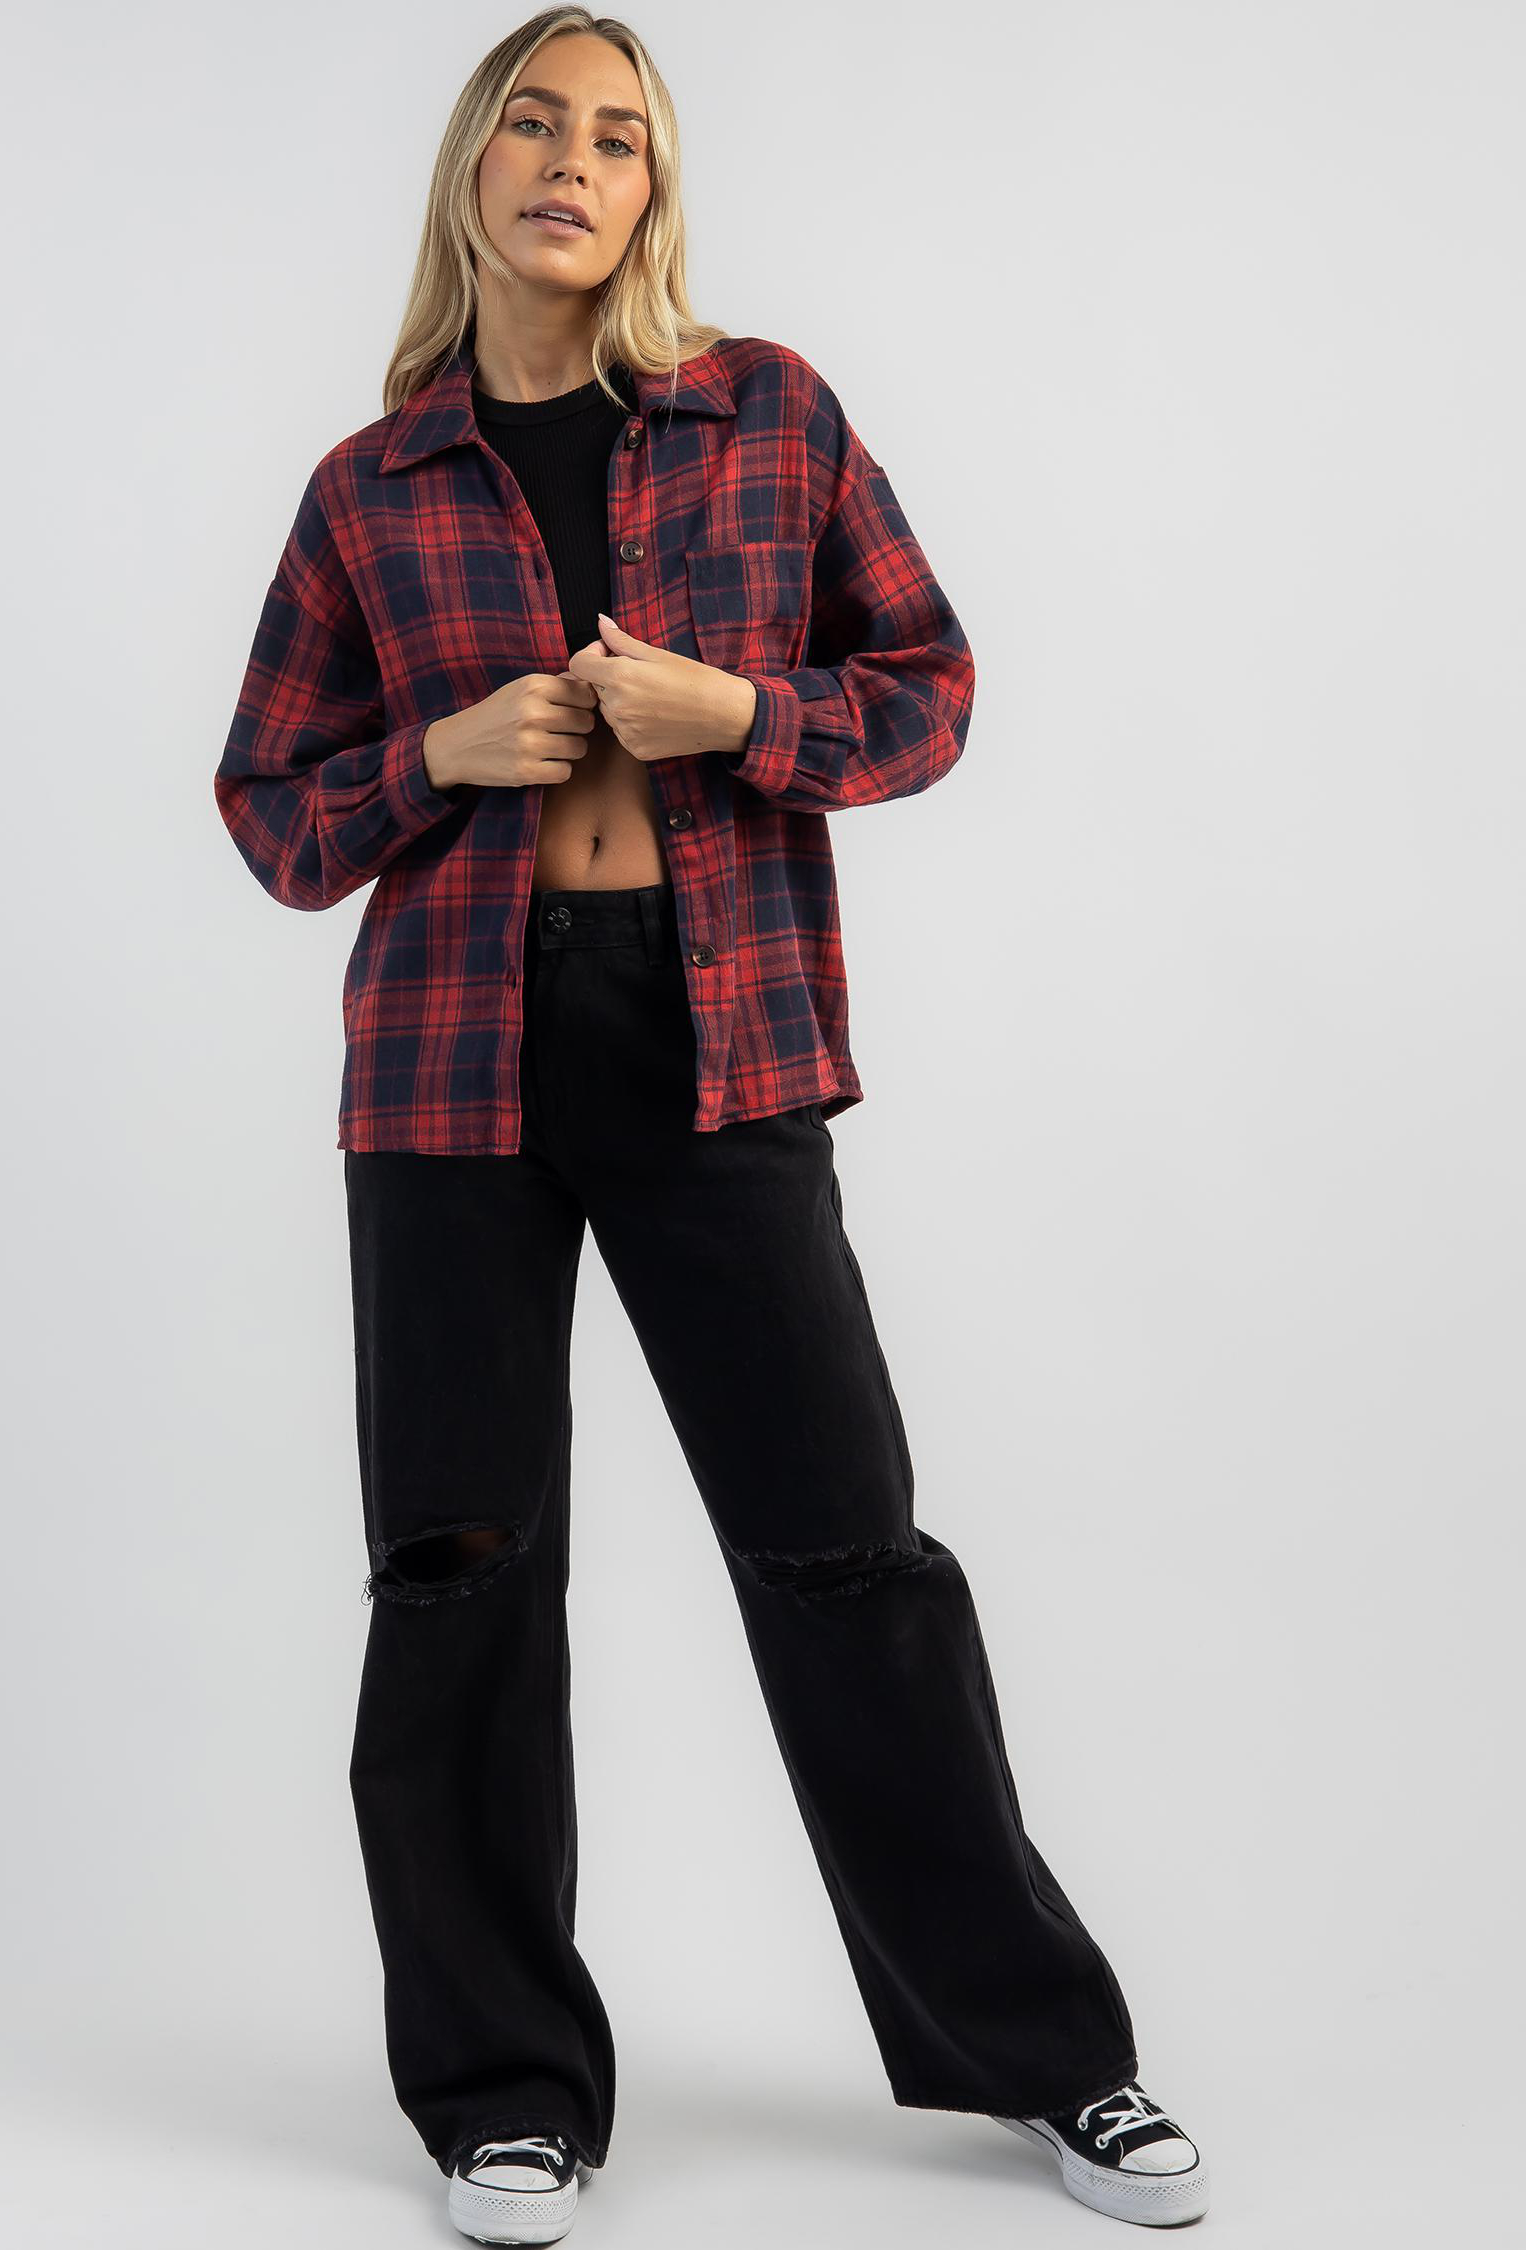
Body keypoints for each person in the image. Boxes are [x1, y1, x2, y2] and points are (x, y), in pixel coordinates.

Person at [213, 10, 1209, 2242]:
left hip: (718, 1037)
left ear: (655, 190)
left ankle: (1047, 2053)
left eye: (620, 135)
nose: (573, 161)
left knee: (849, 1554)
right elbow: (271, 811)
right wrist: (431, 759)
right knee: (459, 1575)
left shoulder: (768, 414)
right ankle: (505, 2095)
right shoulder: (370, 488)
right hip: (451, 1069)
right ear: (474, 166)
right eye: (536, 122)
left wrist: (739, 712)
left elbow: (931, 686)